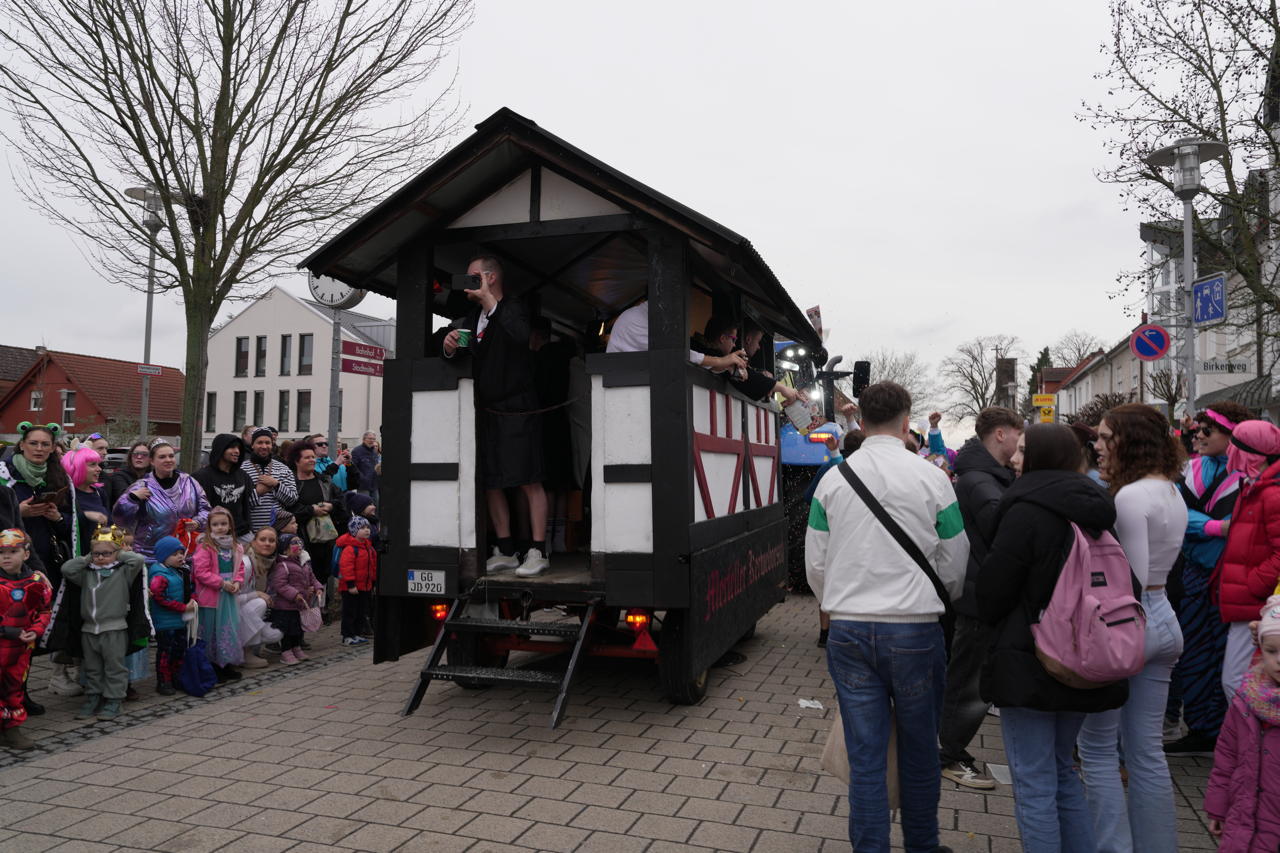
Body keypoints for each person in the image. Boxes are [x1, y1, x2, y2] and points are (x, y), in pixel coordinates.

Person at [805, 381, 967, 852]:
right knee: (920, 751)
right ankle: (923, 844)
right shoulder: (933, 479)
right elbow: (955, 561)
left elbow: (817, 563)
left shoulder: (834, 480)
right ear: (905, 419)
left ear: (863, 420)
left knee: (866, 754)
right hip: (916, 630)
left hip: (851, 631)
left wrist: (835, 603)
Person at [978, 424, 1131, 852]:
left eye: (1024, 451)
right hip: (1085, 655)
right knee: (1063, 771)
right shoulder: (1096, 509)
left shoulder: (1026, 510)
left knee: (1033, 780)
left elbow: (993, 591)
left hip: (1031, 659)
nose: (1014, 459)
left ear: (1043, 458)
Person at [1077, 403, 1187, 853]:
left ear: (1130, 441)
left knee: (1099, 750)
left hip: (1132, 621)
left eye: (1105, 438)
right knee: (1146, 752)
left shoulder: (1129, 497)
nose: (1097, 447)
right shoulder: (1171, 490)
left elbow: (1128, 582)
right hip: (1163, 619)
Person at [442, 254, 550, 577]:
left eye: (472, 276)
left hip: (519, 407)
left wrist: (490, 301)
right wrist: (449, 345)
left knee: (529, 477)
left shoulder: (514, 307)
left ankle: (538, 550)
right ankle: (504, 549)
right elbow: (460, 350)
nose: (467, 282)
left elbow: (519, 337)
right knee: (491, 479)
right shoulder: (473, 316)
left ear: (490, 278)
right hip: (486, 409)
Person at [939, 406, 1023, 790]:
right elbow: (1004, 528)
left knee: (970, 678)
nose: (1021, 445)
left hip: (978, 591)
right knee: (969, 682)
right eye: (1018, 436)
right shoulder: (979, 479)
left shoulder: (986, 475)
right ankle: (947, 753)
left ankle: (950, 747)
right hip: (978, 596)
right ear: (1001, 435)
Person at [1165, 404, 1249, 757]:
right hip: (1195, 573)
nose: (1197, 435)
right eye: (1196, 429)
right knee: (1195, 651)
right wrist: (1214, 527)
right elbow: (1178, 513)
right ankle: (1201, 727)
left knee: (1228, 656)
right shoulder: (1192, 469)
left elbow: (1244, 524)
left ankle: (1230, 731)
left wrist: (1205, 525)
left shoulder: (1248, 473)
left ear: (1232, 436)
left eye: (1206, 430)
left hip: (1232, 575)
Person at [1204, 595, 1280, 852]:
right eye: (1271, 651)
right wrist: (1218, 806)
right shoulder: (1247, 700)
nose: (1279, 659)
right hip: (1244, 821)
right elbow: (1226, 757)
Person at [1211, 419, 1280, 704]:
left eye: (1235, 445)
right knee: (1243, 684)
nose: (1229, 451)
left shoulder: (1271, 494)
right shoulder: (1253, 487)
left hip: (1254, 604)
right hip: (1247, 602)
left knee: (1239, 684)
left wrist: (1254, 585)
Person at [61, 525, 144, 721]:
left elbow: (138, 560)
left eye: (105, 553)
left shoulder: (123, 572)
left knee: (114, 667)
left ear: (117, 552)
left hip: (114, 628)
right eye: (96, 553)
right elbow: (66, 569)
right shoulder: (87, 574)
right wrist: (89, 557)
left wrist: (118, 553)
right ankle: (93, 697)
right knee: (92, 667)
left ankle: (114, 700)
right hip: (89, 628)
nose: (100, 558)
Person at [113, 438, 210, 561]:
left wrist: (198, 522)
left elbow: (206, 510)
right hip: (151, 556)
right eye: (162, 457)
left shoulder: (189, 482)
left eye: (171, 456)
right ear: (152, 461)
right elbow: (120, 519)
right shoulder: (142, 486)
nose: (168, 460)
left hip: (185, 554)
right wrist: (131, 499)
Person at [0, 529, 53, 750]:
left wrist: (37, 630)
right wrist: (9, 632)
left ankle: (12, 729)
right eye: (2, 552)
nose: (6, 557)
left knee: (14, 687)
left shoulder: (36, 580)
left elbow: (44, 610)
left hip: (21, 648)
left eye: (13, 551)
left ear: (26, 554)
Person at [606, 300, 750, 374]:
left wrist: (726, 365)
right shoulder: (636, 320)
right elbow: (679, 354)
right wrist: (723, 361)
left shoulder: (649, 317)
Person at [191, 507, 244, 682]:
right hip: (213, 595)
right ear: (209, 527)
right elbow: (201, 572)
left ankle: (227, 662)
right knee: (212, 631)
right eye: (215, 524)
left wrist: (237, 581)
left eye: (223, 523)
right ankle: (213, 666)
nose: (220, 527)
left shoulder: (236, 547)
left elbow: (240, 568)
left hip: (229, 595)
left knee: (228, 628)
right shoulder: (206, 547)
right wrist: (221, 583)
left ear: (230, 525)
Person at [287, 440, 346, 593]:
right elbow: (289, 510)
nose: (312, 460)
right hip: (301, 539)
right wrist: (311, 511)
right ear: (296, 461)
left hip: (325, 540)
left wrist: (331, 506)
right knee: (302, 576)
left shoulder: (324, 480)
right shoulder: (291, 484)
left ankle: (321, 609)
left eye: (313, 457)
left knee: (322, 577)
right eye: (307, 457)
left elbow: (342, 501)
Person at [146, 535, 195, 695]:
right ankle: (163, 681)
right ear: (163, 556)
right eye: (175, 554)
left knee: (178, 650)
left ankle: (176, 677)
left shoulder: (179, 571)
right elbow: (160, 598)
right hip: (165, 622)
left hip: (179, 621)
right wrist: (182, 608)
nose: (180, 556)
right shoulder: (159, 575)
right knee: (165, 652)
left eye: (181, 552)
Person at [269, 533, 322, 665]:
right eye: (294, 543)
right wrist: (295, 594)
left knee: (298, 629)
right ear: (285, 548)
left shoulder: (304, 563)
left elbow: (312, 578)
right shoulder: (283, 565)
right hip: (285, 606)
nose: (298, 546)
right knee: (287, 630)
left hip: (300, 605)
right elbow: (280, 584)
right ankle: (286, 651)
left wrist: (318, 587)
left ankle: (296, 648)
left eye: (299, 543)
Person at [194, 434, 257, 541]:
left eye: (238, 448)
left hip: (241, 534)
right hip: (214, 536)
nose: (237, 451)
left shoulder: (243, 475)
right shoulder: (201, 477)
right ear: (220, 449)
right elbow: (196, 509)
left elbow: (250, 504)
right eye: (232, 447)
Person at [236, 527, 281, 668]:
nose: (267, 543)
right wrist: (257, 594)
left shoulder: (269, 562)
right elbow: (233, 598)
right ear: (254, 542)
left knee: (275, 633)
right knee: (260, 603)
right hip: (232, 612)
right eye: (262, 539)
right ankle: (244, 653)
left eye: (272, 541)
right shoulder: (246, 562)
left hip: (245, 610)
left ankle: (249, 649)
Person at [240, 427, 297, 531]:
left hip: (278, 530)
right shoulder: (241, 469)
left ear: (272, 445)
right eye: (260, 442)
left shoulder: (283, 468)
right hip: (250, 531)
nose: (264, 446)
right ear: (252, 445)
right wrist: (257, 492)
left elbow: (292, 500)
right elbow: (237, 503)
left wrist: (276, 485)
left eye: (267, 443)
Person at [337, 516, 376, 645]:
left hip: (365, 586)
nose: (367, 530)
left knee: (361, 612)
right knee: (350, 612)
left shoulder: (368, 547)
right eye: (362, 528)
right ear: (354, 531)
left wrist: (373, 581)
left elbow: (372, 566)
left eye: (368, 527)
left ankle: (357, 633)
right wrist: (351, 584)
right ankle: (347, 635)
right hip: (351, 588)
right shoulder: (350, 548)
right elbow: (346, 567)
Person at [104, 442, 151, 514]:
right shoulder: (119, 476)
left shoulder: (153, 476)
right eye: (135, 454)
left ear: (151, 459)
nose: (139, 457)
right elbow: (122, 498)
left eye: (144, 454)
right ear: (130, 457)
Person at [351, 431, 380, 502]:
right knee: (364, 507)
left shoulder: (374, 451)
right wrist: (363, 479)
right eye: (370, 439)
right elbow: (353, 467)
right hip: (363, 486)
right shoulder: (356, 451)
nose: (372, 441)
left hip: (374, 485)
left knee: (376, 507)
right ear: (364, 439)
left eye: (374, 439)